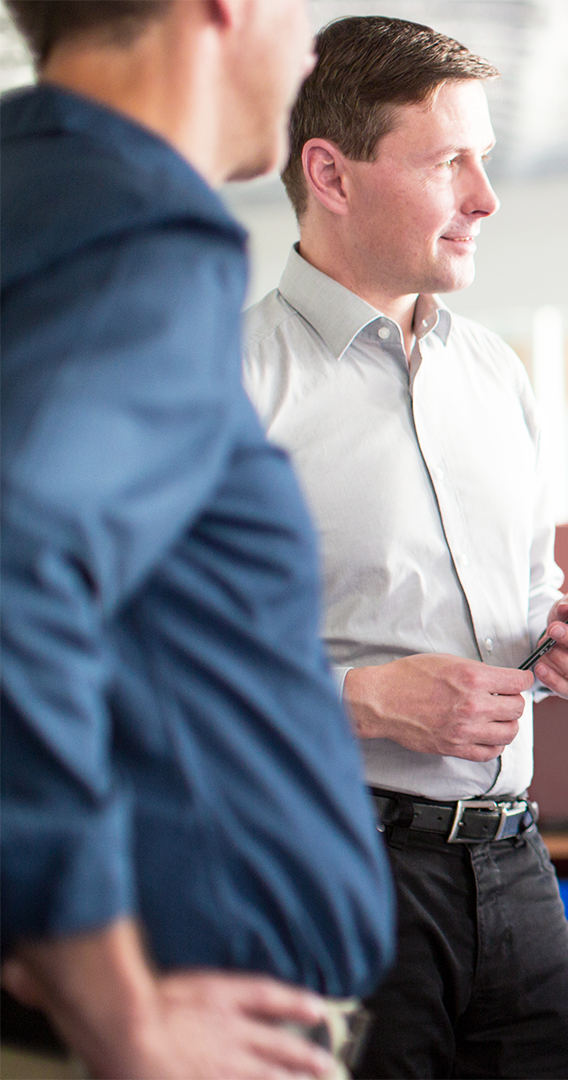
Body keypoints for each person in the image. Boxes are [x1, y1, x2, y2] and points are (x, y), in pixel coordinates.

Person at [0, 0, 394, 1077]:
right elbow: (14, 574)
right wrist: (119, 1011)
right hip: (156, 1030)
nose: (310, 45)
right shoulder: (133, 230)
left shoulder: (33, 197)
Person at [241, 17, 568, 1080]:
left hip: (512, 863)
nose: (485, 199)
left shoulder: (494, 374)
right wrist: (363, 702)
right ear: (331, 173)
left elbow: (523, 600)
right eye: (450, 162)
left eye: (485, 162)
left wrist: (560, 645)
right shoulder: (223, 388)